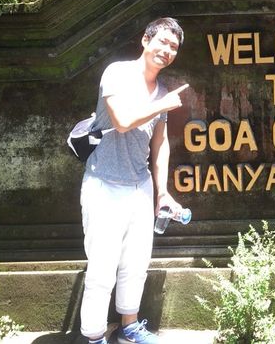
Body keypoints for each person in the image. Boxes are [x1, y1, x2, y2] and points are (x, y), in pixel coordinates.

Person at [79, 17, 188, 344]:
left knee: (136, 262)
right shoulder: (117, 74)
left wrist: (162, 192)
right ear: (145, 40)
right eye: (163, 42)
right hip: (104, 182)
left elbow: (160, 143)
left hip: (140, 185)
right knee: (102, 267)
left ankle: (129, 326)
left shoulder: (162, 90)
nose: (167, 50)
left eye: (173, 47)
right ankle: (94, 336)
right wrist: (161, 105)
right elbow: (122, 121)